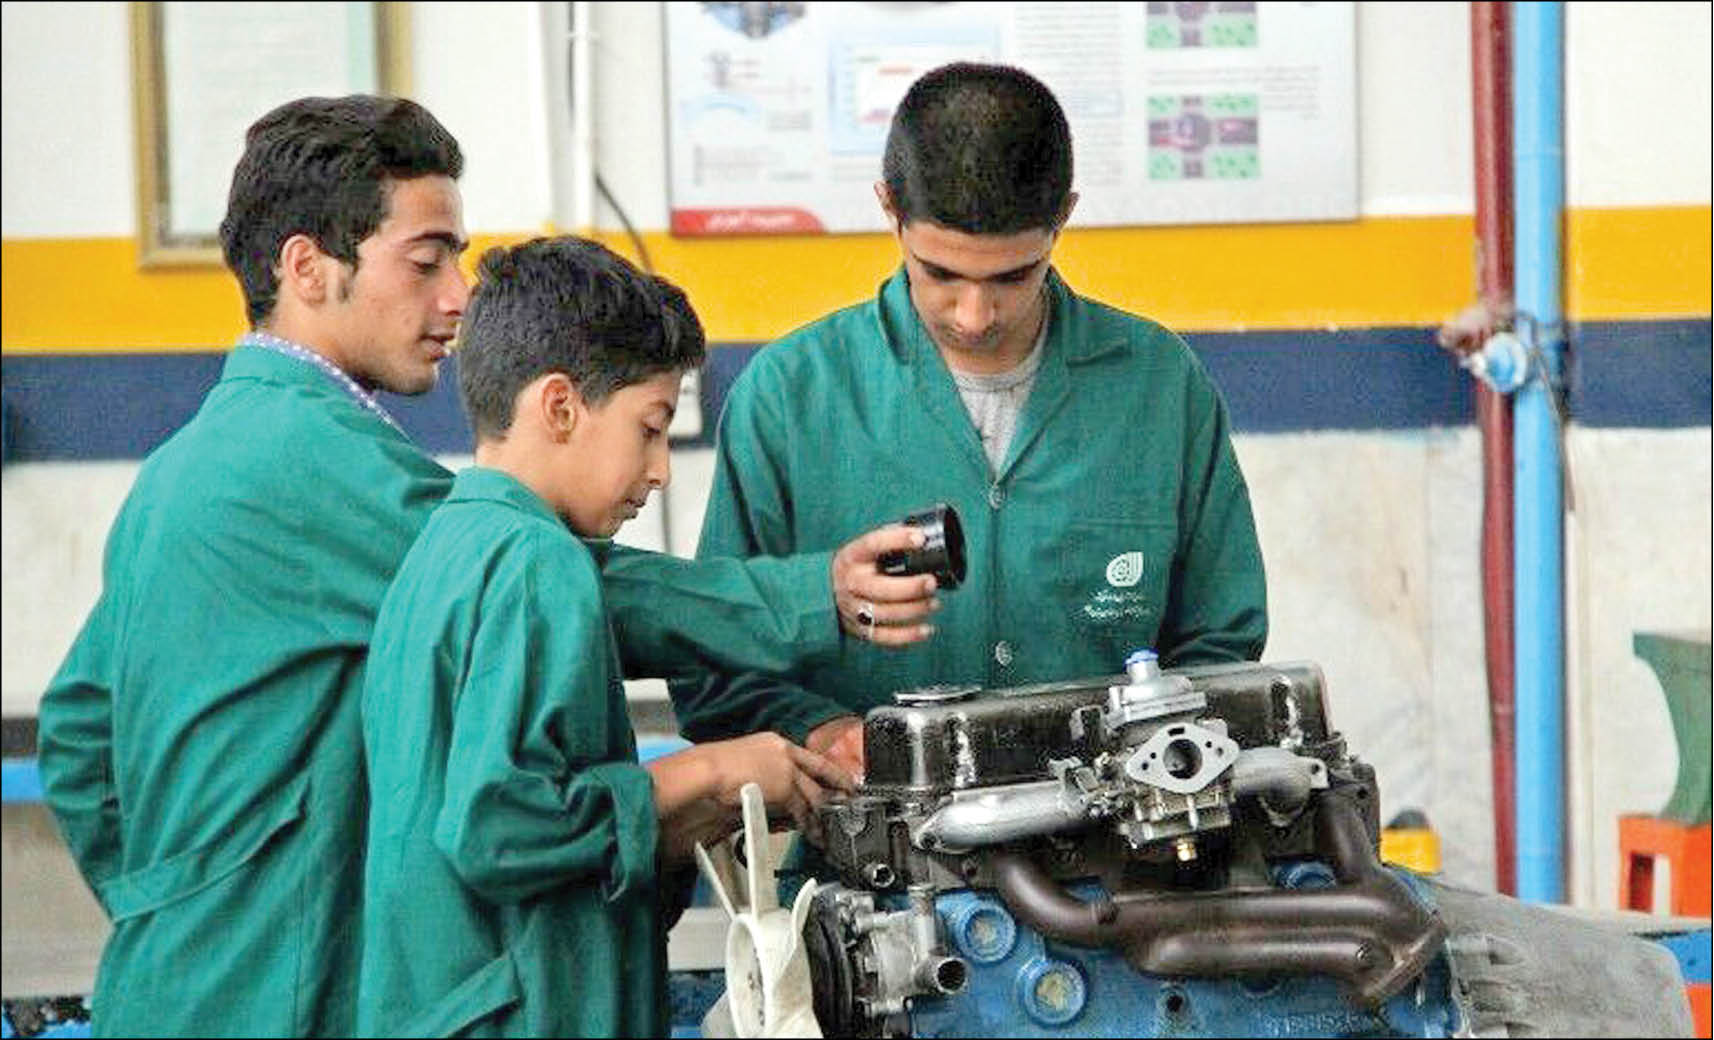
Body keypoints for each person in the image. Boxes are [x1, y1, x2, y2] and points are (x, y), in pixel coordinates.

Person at [36, 96, 933, 1038]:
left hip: (174, 984)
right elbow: (554, 583)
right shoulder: (305, 458)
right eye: (425, 260)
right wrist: (810, 598)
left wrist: (181, 903)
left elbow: (80, 735)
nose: (458, 296)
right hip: (273, 997)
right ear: (307, 268)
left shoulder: (179, 467)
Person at [673, 62, 1266, 746]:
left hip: (1120, 810)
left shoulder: (1159, 385)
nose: (974, 314)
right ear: (889, 209)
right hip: (863, 815)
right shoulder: (788, 397)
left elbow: (1221, 643)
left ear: (1063, 218)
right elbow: (718, 666)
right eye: (941, 274)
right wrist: (824, 734)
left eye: (1013, 276)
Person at [359, 237, 851, 1037]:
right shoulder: (538, 564)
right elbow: (498, 826)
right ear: (560, 407)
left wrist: (700, 816)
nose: (660, 470)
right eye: (650, 428)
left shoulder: (448, 546)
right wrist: (707, 771)